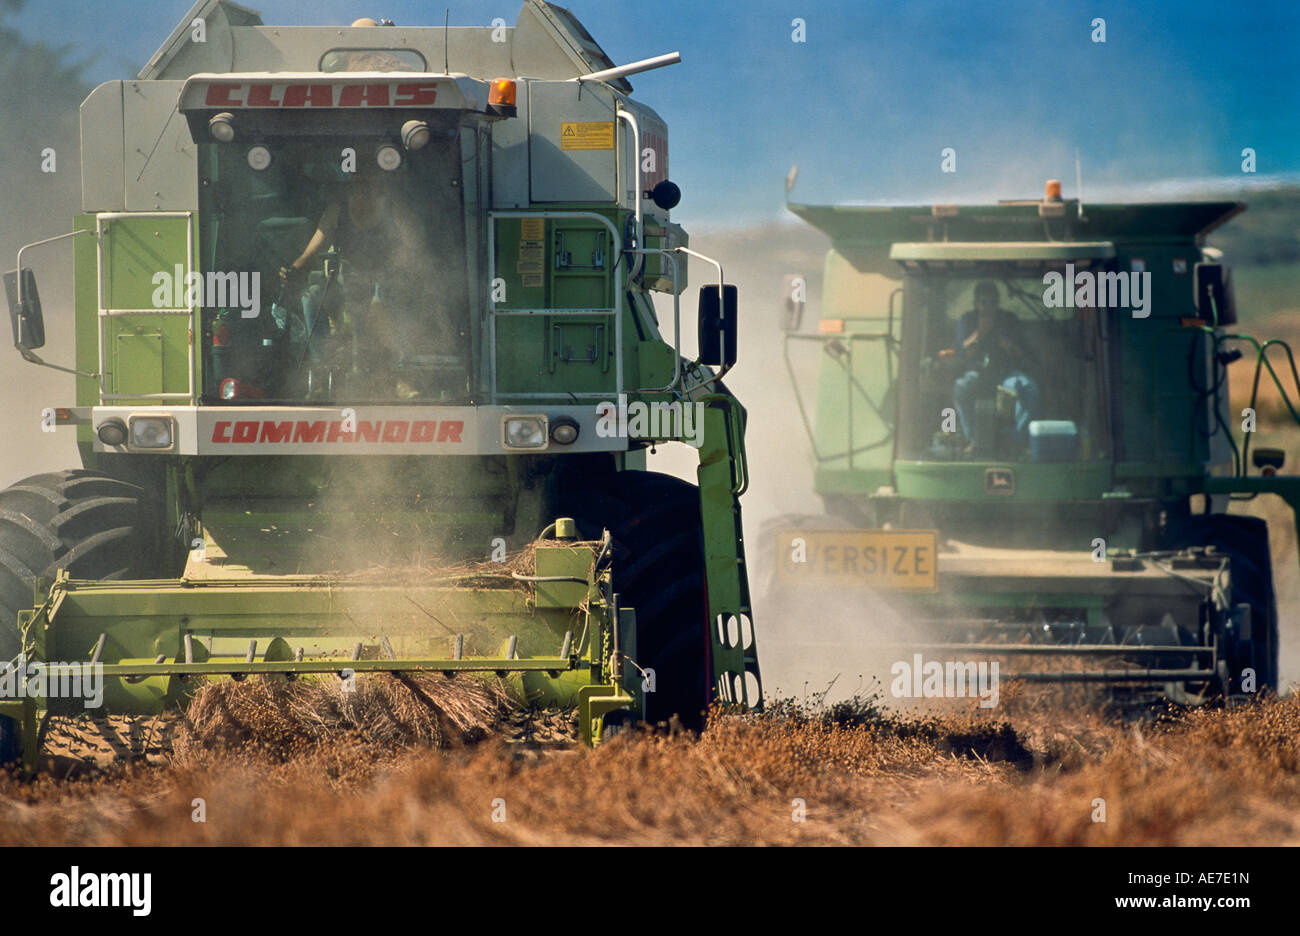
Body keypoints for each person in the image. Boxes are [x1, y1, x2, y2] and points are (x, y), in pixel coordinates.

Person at [936, 280, 1039, 453]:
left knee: (1028, 387)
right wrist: (980, 332)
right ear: (976, 303)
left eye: (993, 302)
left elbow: (1022, 355)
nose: (988, 307)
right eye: (984, 302)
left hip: (1006, 374)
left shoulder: (1009, 319)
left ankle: (1017, 440)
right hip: (976, 373)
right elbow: (963, 352)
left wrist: (1009, 346)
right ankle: (974, 440)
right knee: (961, 387)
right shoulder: (967, 320)